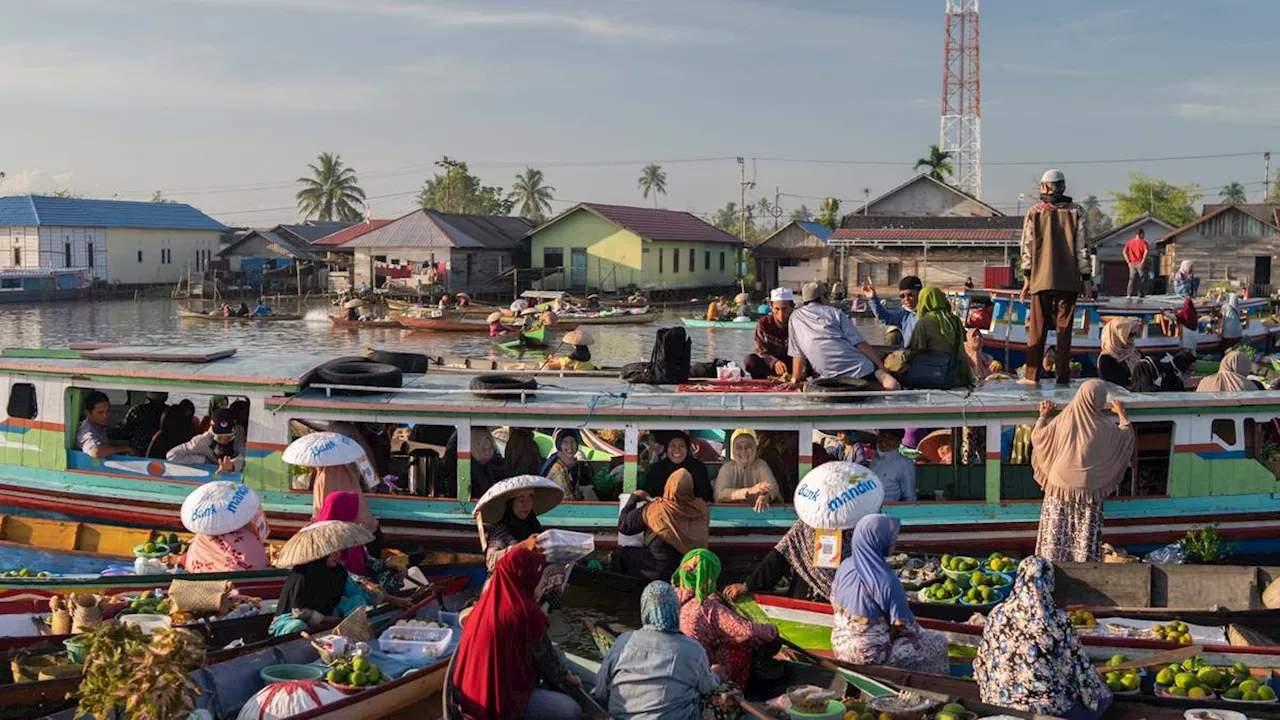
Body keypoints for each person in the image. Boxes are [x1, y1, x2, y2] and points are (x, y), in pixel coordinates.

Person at [974, 556, 1112, 720]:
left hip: (998, 701)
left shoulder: (997, 613)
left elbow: (982, 661)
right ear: (1049, 582)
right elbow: (1080, 666)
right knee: (1102, 698)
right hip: (1046, 709)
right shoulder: (1056, 620)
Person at [450, 548, 580, 720]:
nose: (543, 584)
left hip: (467, 700)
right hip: (498, 708)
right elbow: (550, 665)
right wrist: (568, 678)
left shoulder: (483, 605)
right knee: (571, 709)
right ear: (528, 578)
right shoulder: (527, 614)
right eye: (539, 579)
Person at [1032, 380, 1134, 563]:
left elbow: (1038, 437)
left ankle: (1051, 567)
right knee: (1084, 536)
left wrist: (1043, 416)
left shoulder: (1065, 418)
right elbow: (1126, 437)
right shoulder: (1106, 426)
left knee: (1055, 534)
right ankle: (1083, 570)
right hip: (1088, 491)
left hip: (1058, 486)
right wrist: (1121, 414)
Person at [593, 581, 725, 720]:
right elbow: (707, 686)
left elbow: (601, 690)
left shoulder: (623, 641)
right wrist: (716, 675)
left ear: (644, 609)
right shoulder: (693, 649)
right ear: (675, 609)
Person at [831, 515, 947, 672]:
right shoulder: (887, 580)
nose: (894, 541)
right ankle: (930, 684)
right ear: (877, 540)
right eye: (890, 537)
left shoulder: (845, 565)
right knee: (938, 642)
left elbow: (834, 600)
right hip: (870, 656)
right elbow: (907, 628)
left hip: (839, 645)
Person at [1019, 169, 1091, 386]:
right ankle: (1062, 378)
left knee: (1037, 331)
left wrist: (1027, 279)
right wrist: (1086, 280)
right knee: (1064, 332)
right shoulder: (1077, 211)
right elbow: (1083, 249)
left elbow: (1027, 247)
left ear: (1045, 187)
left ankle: (1032, 376)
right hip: (1069, 281)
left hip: (1041, 280)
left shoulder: (1035, 212)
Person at [673, 549, 779, 689]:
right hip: (701, 673)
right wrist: (772, 630)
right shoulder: (708, 607)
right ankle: (736, 690)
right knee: (740, 645)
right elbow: (748, 631)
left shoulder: (671, 595)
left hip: (676, 670)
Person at [789, 282, 899, 390]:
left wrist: (795, 379)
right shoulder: (835, 313)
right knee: (889, 381)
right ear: (823, 297)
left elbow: (797, 353)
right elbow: (860, 343)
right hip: (859, 369)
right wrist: (879, 364)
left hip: (829, 376)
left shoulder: (794, 317)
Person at [614, 469, 710, 582]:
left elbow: (624, 526)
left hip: (658, 570)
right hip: (690, 570)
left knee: (620, 556)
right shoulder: (701, 509)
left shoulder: (656, 509)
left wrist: (634, 498)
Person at [885, 286, 973, 389]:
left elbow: (914, 350)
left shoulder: (924, 322)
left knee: (890, 363)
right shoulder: (955, 320)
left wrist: (895, 358)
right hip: (957, 375)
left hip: (935, 375)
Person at [313, 491, 401, 593]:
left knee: (393, 572)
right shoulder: (323, 539)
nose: (357, 515)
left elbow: (366, 560)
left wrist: (389, 565)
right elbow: (338, 572)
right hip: (339, 585)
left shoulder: (351, 533)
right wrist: (365, 583)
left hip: (359, 579)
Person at [182, 485, 270, 573]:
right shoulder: (247, 537)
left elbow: (193, 559)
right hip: (246, 579)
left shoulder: (202, 538)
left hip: (207, 581)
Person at [713, 429, 781, 511]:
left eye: (748, 446)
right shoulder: (727, 468)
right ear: (733, 450)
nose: (743, 451)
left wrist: (765, 496)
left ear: (754, 449)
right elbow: (720, 494)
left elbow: (773, 487)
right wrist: (749, 491)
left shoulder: (760, 465)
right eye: (739, 447)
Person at [166, 409, 245, 473]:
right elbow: (172, 455)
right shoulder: (201, 441)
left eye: (228, 436)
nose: (224, 439)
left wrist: (232, 465)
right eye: (220, 436)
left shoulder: (239, 433)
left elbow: (244, 454)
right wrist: (203, 460)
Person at [642, 431, 713, 501]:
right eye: (672, 446)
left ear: (687, 448)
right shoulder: (657, 469)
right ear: (666, 449)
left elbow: (706, 497)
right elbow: (647, 495)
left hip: (691, 510)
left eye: (681, 446)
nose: (677, 449)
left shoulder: (698, 468)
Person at [744, 287, 794, 380]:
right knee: (750, 360)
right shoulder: (763, 323)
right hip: (770, 364)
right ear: (771, 307)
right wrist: (774, 362)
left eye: (785, 309)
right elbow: (761, 350)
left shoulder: (798, 323)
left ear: (792, 307)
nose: (781, 314)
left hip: (792, 364)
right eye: (777, 309)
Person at [865, 275, 921, 348]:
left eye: (910, 295)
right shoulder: (903, 315)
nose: (906, 299)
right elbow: (884, 317)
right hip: (912, 353)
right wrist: (873, 298)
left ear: (919, 294)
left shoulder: (929, 314)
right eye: (902, 296)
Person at [77, 391, 131, 459]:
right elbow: (96, 452)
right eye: (100, 412)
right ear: (88, 413)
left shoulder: (100, 427)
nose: (106, 415)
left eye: (108, 411)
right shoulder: (86, 431)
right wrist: (126, 449)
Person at [869, 430, 915, 502]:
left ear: (899, 442)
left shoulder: (904, 463)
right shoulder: (875, 460)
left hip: (889, 510)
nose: (884, 441)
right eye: (882, 436)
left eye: (890, 438)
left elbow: (909, 497)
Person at [1097, 317, 1141, 388]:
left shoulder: (1136, 353)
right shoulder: (1106, 359)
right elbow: (1112, 385)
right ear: (1117, 335)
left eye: (1135, 334)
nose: (1133, 338)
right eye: (1129, 335)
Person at [540, 429, 585, 499]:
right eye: (565, 442)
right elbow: (566, 499)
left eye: (573, 441)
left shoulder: (572, 464)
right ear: (559, 445)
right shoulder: (558, 468)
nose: (570, 446)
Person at [121, 391, 169, 456]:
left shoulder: (137, 410)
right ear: (166, 397)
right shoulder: (170, 412)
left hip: (137, 452)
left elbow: (125, 431)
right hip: (164, 452)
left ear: (148, 396)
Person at [1123, 228, 1149, 299]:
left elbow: (1124, 251)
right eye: (1143, 235)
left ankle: (1129, 294)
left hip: (1132, 263)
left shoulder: (1130, 242)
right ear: (1141, 234)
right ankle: (1140, 293)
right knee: (1142, 278)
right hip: (1140, 262)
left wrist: (1128, 261)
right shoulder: (1143, 242)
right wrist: (1143, 261)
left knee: (1131, 278)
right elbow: (1146, 251)